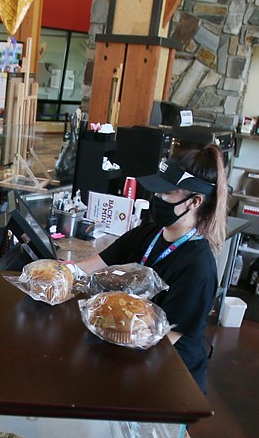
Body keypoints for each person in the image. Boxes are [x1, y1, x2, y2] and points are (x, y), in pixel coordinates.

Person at [77, 145, 228, 392]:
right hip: (136, 356)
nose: (156, 198)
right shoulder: (149, 233)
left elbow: (164, 339)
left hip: (170, 377)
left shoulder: (198, 268)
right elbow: (90, 266)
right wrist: (59, 274)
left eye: (166, 193)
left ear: (194, 202)